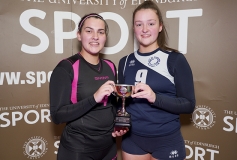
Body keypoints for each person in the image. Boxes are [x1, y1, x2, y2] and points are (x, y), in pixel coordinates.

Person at [117, 1, 196, 160]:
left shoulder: (175, 60)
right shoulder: (124, 62)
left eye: (150, 23)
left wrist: (155, 98)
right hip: (133, 140)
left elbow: (188, 105)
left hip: (167, 140)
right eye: (139, 24)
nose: (144, 29)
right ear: (134, 28)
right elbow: (121, 101)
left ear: (160, 26)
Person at [50, 13, 127, 160]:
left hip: (108, 147)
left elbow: (113, 105)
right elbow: (58, 115)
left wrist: (120, 124)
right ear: (79, 35)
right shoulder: (66, 67)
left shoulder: (110, 66)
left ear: (105, 36)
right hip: (78, 149)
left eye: (100, 32)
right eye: (89, 31)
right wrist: (94, 98)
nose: (95, 37)